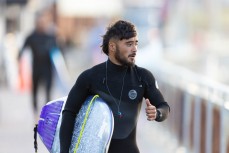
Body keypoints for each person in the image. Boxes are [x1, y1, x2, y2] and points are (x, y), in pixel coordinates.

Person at [59, 20, 170, 153]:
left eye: (136, 43)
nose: (134, 49)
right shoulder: (90, 77)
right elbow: (69, 113)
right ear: (112, 46)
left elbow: (164, 107)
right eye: (129, 44)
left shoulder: (143, 77)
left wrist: (157, 113)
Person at [17, 13, 58, 115]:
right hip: (36, 68)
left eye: (43, 23)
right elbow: (22, 50)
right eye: (40, 23)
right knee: (35, 90)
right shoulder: (31, 37)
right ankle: (35, 110)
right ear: (36, 23)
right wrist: (19, 64)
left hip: (48, 68)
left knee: (48, 90)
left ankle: (47, 110)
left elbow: (58, 51)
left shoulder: (50, 37)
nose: (41, 25)